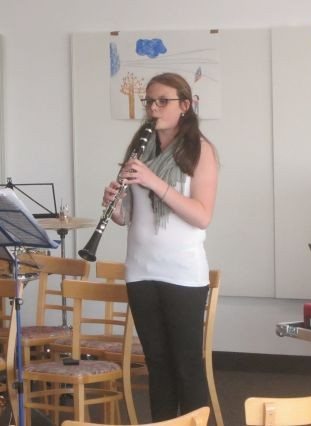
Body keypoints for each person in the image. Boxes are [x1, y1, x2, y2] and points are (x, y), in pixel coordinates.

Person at [102, 72, 218, 421]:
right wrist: (114, 206)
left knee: (186, 366)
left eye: (162, 101)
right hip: (140, 270)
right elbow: (129, 216)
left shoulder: (200, 150)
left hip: (182, 273)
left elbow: (202, 216)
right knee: (158, 365)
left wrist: (154, 182)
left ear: (185, 105)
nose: (153, 108)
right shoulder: (141, 146)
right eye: (149, 101)